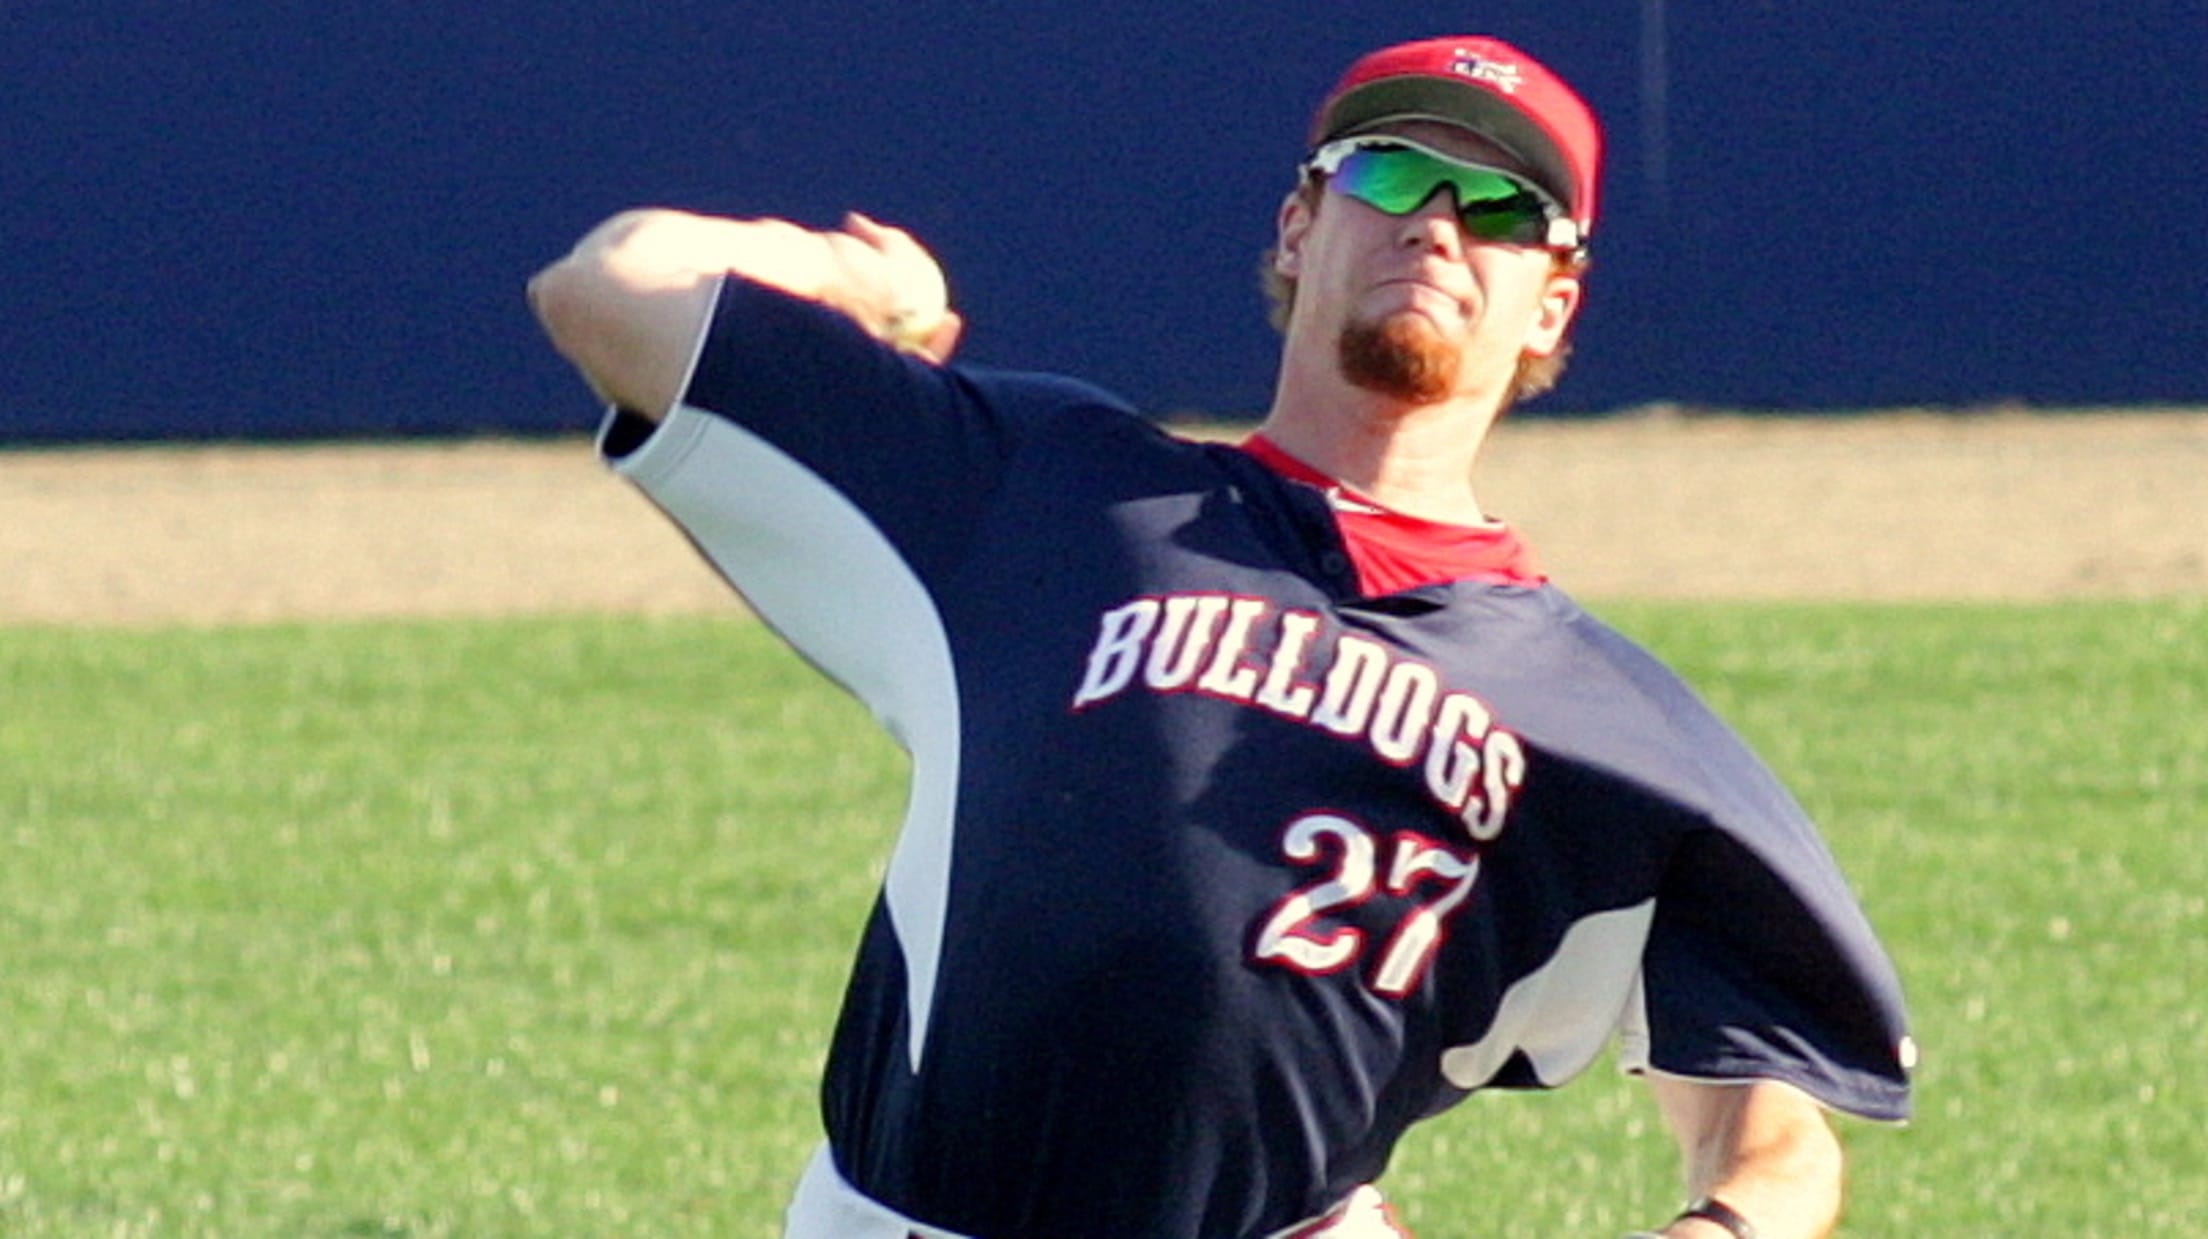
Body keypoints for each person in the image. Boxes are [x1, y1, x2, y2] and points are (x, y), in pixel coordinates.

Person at [528, 34, 1913, 1239]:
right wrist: (841, 273)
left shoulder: (1610, 722)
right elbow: (609, 290)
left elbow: (1774, 1133)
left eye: (1499, 206)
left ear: (1551, 300)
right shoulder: (1050, 488)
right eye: (1387, 175)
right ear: (1300, 228)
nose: (1437, 224)